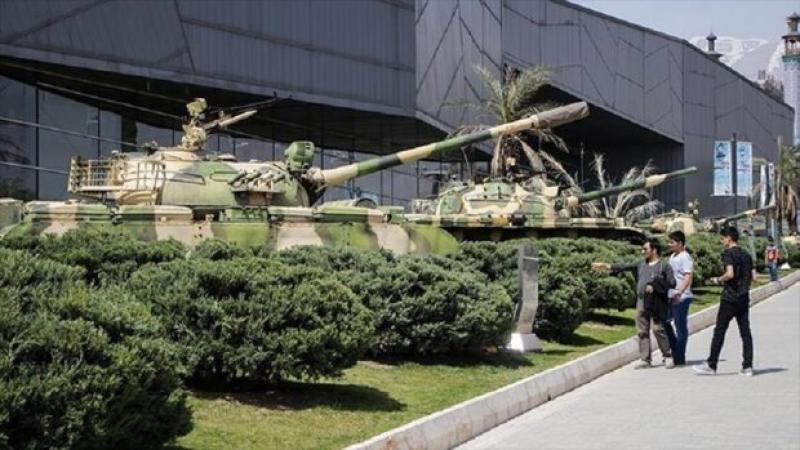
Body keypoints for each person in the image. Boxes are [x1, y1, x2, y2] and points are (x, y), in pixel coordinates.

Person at [592, 238, 675, 369]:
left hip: (656, 302)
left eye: (645, 249)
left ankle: (668, 355)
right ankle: (645, 359)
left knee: (657, 329)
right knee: (642, 330)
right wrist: (607, 266)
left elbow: (672, 283)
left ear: (654, 250)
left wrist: (655, 286)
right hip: (642, 301)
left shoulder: (664, 266)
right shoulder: (641, 264)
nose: (643, 251)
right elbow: (625, 266)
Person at [694, 226, 756, 376]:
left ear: (729, 238)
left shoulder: (728, 253)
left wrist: (718, 279)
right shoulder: (746, 255)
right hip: (743, 297)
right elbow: (754, 276)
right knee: (745, 332)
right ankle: (748, 366)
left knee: (720, 331)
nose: (722, 241)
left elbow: (729, 274)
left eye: (723, 238)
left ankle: (712, 365)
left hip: (729, 298)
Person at [664, 230, 694, 366]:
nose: (669, 244)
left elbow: (688, 277)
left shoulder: (685, 257)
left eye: (672, 242)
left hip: (682, 297)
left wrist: (679, 293)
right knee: (665, 322)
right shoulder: (672, 256)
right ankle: (675, 350)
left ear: (680, 243)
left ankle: (679, 357)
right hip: (671, 295)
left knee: (680, 327)